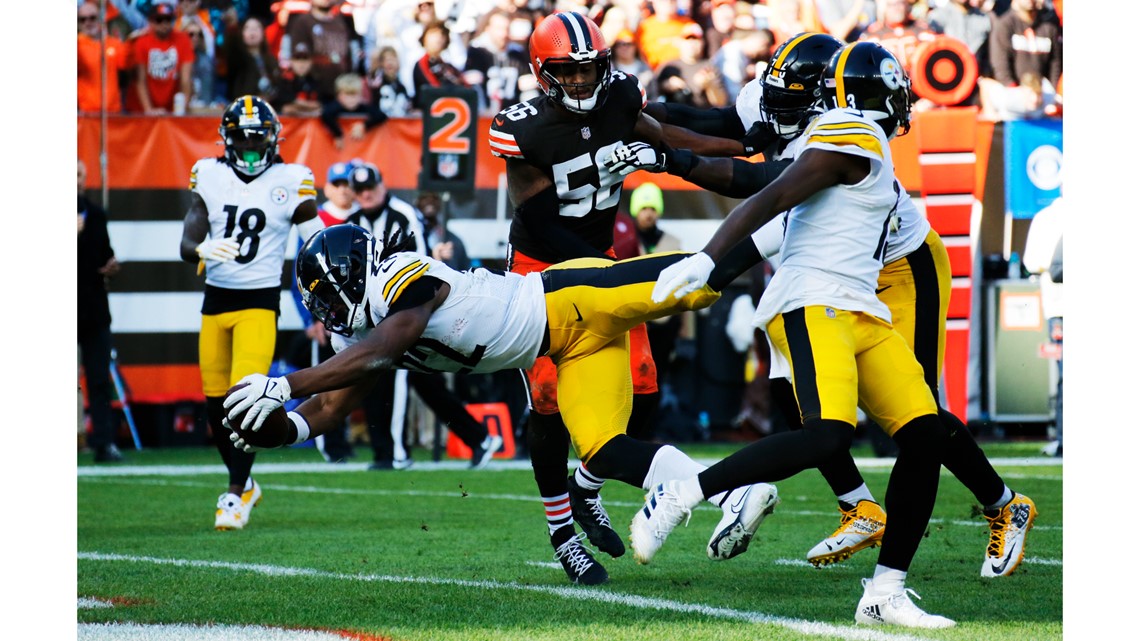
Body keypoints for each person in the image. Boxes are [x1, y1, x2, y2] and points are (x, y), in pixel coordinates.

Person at [612, 32, 1038, 579]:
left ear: (828, 99)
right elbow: (721, 123)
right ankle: (858, 505)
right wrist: (637, 109)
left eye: (793, 101)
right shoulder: (782, 97)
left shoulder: (843, 134)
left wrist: (706, 265)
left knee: (917, 416)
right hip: (829, 274)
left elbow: (765, 201)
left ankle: (1002, 504)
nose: (774, 111)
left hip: (898, 267)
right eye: (775, 96)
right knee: (794, 396)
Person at [224, 224, 780, 585]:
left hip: (570, 297)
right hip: (564, 349)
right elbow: (326, 412)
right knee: (605, 451)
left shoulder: (400, 276)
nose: (322, 312)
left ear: (350, 276)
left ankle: (788, 226)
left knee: (699, 276)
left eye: (324, 297)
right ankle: (733, 492)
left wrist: (285, 384)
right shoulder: (358, 340)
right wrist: (268, 432)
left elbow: (390, 343)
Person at [488, 10, 749, 584]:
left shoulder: (620, 98)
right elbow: (535, 212)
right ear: (542, 72)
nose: (580, 82)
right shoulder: (522, 127)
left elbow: (667, 131)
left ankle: (588, 486)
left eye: (589, 70)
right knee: (549, 409)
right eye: (568, 72)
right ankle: (563, 534)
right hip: (539, 269)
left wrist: (737, 140)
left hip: (601, 261)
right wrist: (592, 275)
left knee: (642, 387)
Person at [178, 95, 323, 530]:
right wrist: (200, 248)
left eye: (258, 140)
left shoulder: (293, 179)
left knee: (244, 400)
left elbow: (315, 242)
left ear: (274, 139)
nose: (251, 149)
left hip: (259, 303)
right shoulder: (209, 174)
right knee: (213, 403)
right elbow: (187, 242)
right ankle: (244, 484)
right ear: (227, 140)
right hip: (215, 301)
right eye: (242, 141)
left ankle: (235, 492)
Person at [344, 162, 426, 470]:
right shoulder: (351, 222)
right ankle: (381, 452)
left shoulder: (402, 215)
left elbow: (423, 260)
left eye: (370, 188)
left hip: (402, 310)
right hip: (366, 315)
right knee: (368, 378)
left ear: (382, 185)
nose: (366, 194)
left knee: (399, 382)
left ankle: (398, 452)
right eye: (360, 190)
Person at [78, 159, 124, 463]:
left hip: (93, 308)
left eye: (80, 174)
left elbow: (104, 256)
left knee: (98, 379)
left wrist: (111, 267)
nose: (76, 180)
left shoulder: (95, 214)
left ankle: (104, 442)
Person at [1023, 195, 1063, 457]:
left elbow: (1031, 262)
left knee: (1066, 374)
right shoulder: (1049, 218)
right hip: (1061, 305)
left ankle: (1063, 438)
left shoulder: (1046, 218)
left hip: (1059, 307)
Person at [282, 0, 356, 103]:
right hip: (315, 91)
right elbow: (299, 58)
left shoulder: (342, 21)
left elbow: (351, 55)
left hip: (341, 89)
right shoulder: (303, 22)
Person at [127, 2, 195, 114]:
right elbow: (140, 80)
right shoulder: (141, 41)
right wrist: (149, 110)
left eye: (168, 20)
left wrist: (182, 108)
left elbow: (186, 79)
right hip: (140, 109)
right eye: (159, 20)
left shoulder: (183, 40)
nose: (164, 24)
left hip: (172, 106)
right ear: (150, 22)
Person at [651, 22, 730, 108]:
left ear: (702, 43)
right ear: (680, 42)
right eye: (687, 39)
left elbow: (721, 102)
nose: (691, 43)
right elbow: (652, 91)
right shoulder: (669, 66)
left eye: (696, 39)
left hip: (701, 115)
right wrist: (667, 85)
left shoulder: (709, 67)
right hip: (674, 116)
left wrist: (709, 86)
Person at [78, 1, 131, 114]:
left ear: (101, 19)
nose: (88, 22)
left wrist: (131, 43)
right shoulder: (77, 45)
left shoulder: (113, 43)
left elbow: (126, 65)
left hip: (112, 112)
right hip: (86, 114)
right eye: (82, 19)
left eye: (92, 18)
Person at [319, 73, 389, 150]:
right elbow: (326, 114)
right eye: (347, 95)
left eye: (354, 95)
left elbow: (381, 116)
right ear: (338, 95)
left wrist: (364, 126)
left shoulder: (362, 107)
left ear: (360, 95)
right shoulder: (334, 107)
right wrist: (338, 134)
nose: (351, 99)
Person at [219, 15, 280, 102]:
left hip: (268, 106)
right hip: (243, 107)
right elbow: (229, 46)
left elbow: (278, 84)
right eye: (248, 28)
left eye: (256, 28)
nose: (252, 32)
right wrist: (231, 26)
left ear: (263, 33)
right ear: (242, 34)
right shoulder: (237, 57)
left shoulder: (271, 59)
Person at [411, 20, 469, 111]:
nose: (438, 38)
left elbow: (465, 86)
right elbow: (434, 88)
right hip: (432, 113)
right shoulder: (422, 64)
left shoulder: (448, 67)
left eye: (442, 34)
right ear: (425, 37)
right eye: (433, 33)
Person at [272, 41, 323, 117]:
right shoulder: (283, 81)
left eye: (305, 59)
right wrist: (305, 107)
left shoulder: (316, 81)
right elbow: (282, 106)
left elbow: (320, 105)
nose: (301, 64)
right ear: (291, 61)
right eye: (297, 59)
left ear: (311, 62)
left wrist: (300, 105)